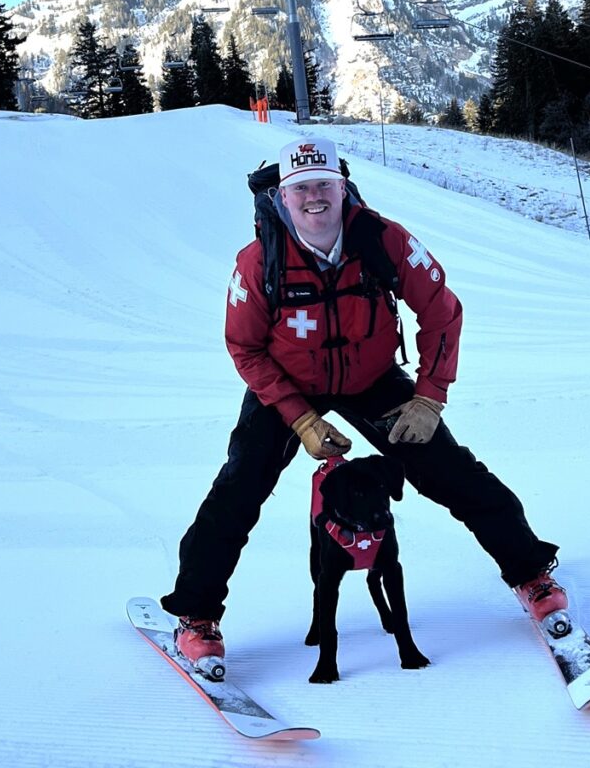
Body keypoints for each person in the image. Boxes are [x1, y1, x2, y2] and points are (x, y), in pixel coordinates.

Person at [162, 137, 566, 668]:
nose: (314, 199)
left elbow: (442, 312)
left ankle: (531, 575)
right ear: (282, 198)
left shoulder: (385, 241)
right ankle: (196, 614)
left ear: (342, 187)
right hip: (288, 381)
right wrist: (300, 417)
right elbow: (244, 345)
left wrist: (429, 397)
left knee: (451, 472)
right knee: (239, 487)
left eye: (324, 185)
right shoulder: (259, 260)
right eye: (300, 188)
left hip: (373, 377)